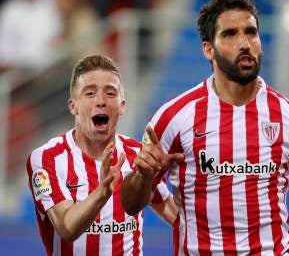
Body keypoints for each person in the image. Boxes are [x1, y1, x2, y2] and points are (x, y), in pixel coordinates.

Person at [121, 0, 289, 256]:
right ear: (208, 49)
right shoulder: (173, 118)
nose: (245, 43)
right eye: (230, 34)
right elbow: (130, 204)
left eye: (251, 32)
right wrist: (143, 176)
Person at [26, 54, 178, 255]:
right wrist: (102, 191)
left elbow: (174, 215)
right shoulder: (47, 159)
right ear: (74, 106)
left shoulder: (136, 155)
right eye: (89, 94)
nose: (100, 101)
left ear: (122, 105)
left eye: (110, 93)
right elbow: (66, 227)